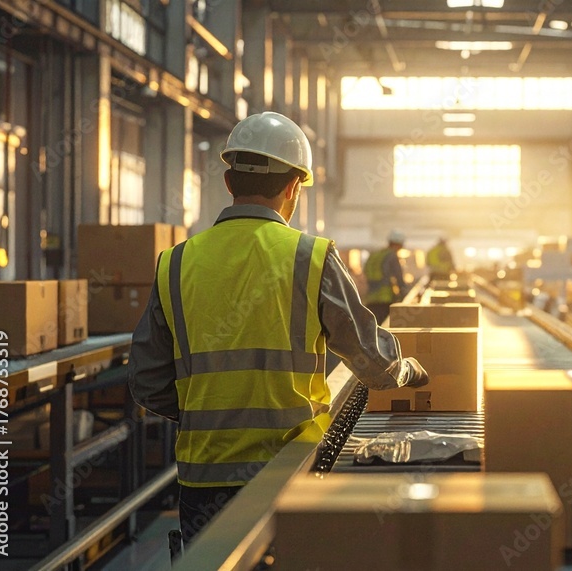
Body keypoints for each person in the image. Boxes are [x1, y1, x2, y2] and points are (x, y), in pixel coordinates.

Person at [126, 111, 429, 547]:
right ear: (294, 187)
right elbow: (373, 363)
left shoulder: (175, 263)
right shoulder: (310, 257)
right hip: (290, 464)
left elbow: (147, 381)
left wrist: (210, 408)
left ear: (229, 183)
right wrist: (409, 370)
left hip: (205, 475)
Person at [362, 230, 410, 323]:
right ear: (399, 244)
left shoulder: (376, 254)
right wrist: (403, 291)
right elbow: (398, 276)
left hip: (371, 297)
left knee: (374, 325)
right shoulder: (391, 256)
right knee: (384, 326)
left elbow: (366, 272)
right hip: (385, 297)